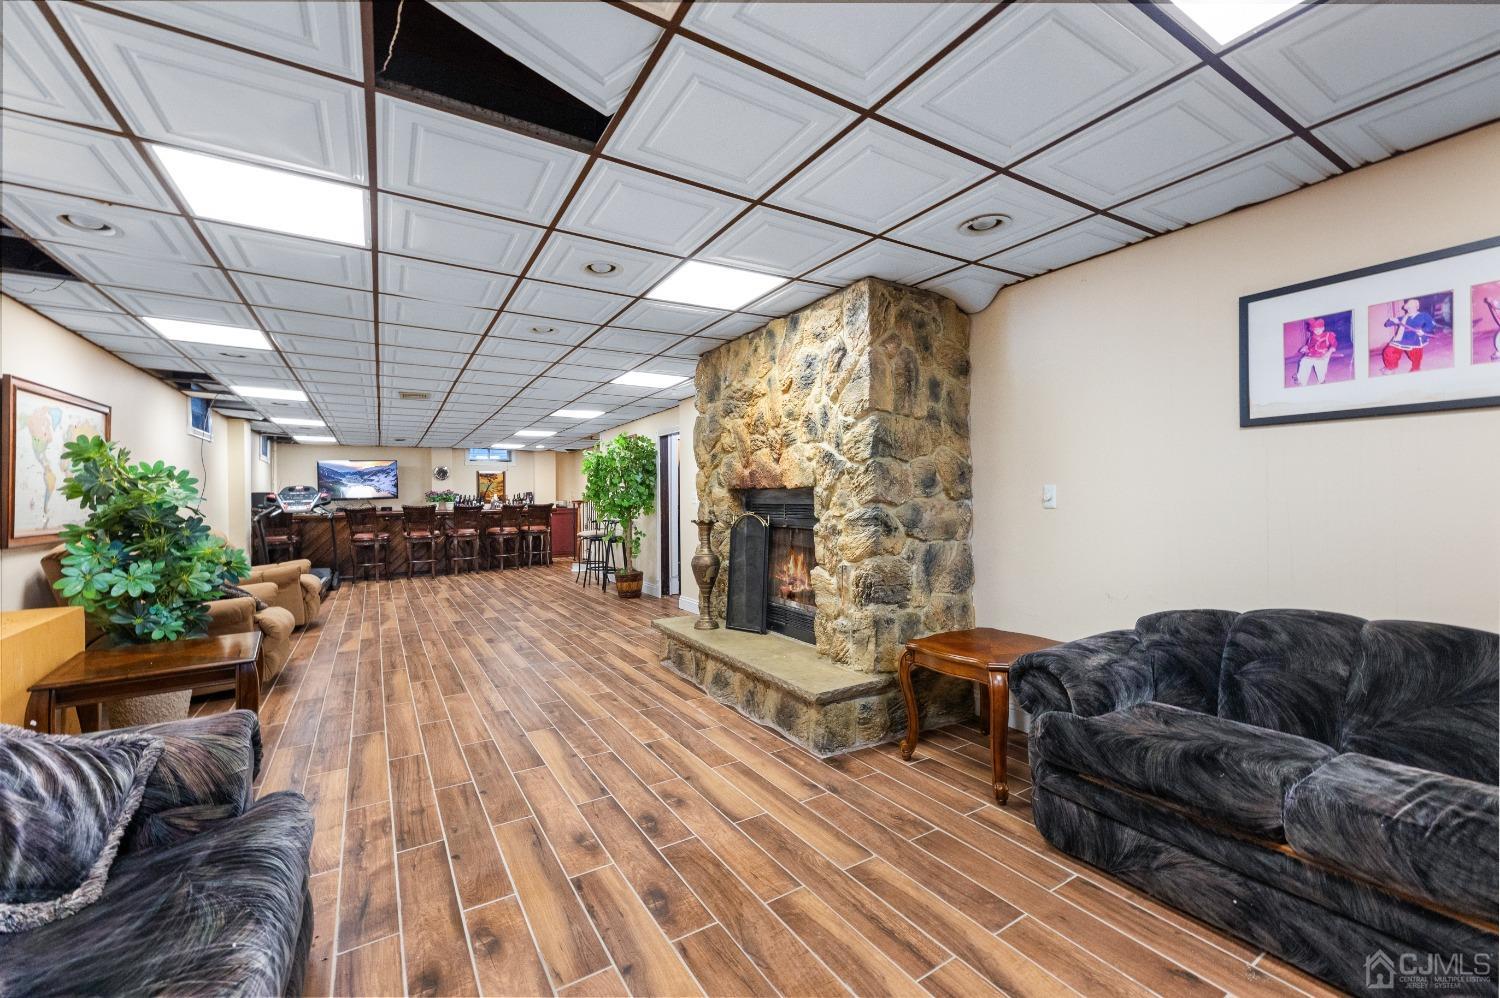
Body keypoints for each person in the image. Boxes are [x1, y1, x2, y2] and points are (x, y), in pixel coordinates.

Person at [1380, 298, 1432, 374]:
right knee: (1389, 350)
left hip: (1415, 338)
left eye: (1412, 307)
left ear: (1417, 307)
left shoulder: (1423, 315)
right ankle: (1391, 367)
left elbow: (1430, 324)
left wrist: (1424, 330)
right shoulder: (1404, 317)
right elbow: (1388, 324)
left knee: (1415, 356)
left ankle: (1415, 368)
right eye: (1408, 307)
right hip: (1401, 337)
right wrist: (1391, 321)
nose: (1410, 309)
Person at [1292, 316, 1338, 385]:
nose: (1317, 330)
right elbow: (1308, 346)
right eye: (1315, 329)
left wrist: (1329, 351)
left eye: (1320, 328)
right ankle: (1301, 379)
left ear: (1323, 328)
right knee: (1304, 362)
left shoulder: (1328, 335)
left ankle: (1321, 380)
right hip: (1311, 355)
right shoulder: (1311, 338)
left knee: (1320, 367)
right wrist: (1305, 348)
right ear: (1312, 330)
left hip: (1323, 355)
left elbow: (1334, 343)